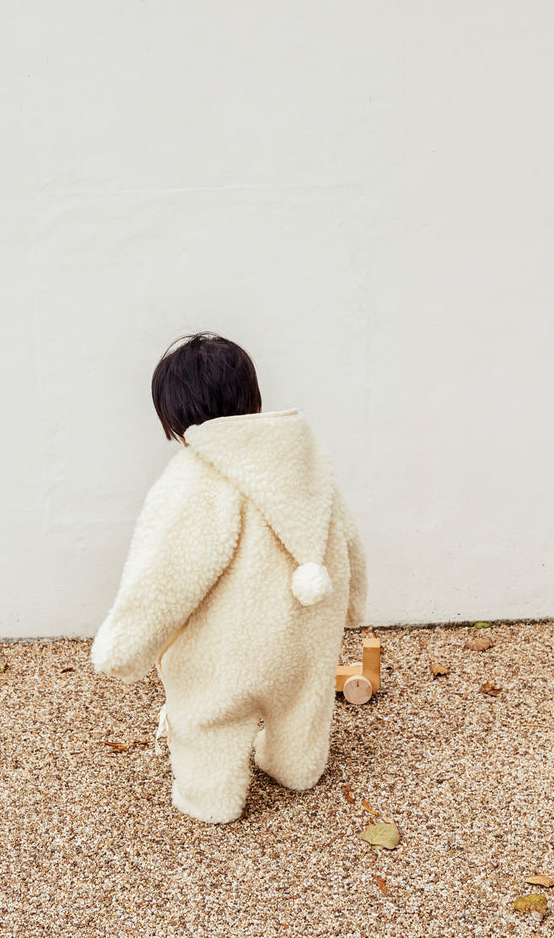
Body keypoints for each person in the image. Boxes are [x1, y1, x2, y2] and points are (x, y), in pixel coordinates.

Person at [91, 332, 367, 823]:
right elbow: (346, 539)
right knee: (303, 706)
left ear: (176, 414)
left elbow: (164, 576)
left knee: (209, 718)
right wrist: (353, 606)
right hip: (306, 638)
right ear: (250, 396)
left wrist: (122, 648)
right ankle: (296, 767)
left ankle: (210, 801)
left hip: (230, 650)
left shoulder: (194, 479)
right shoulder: (306, 461)